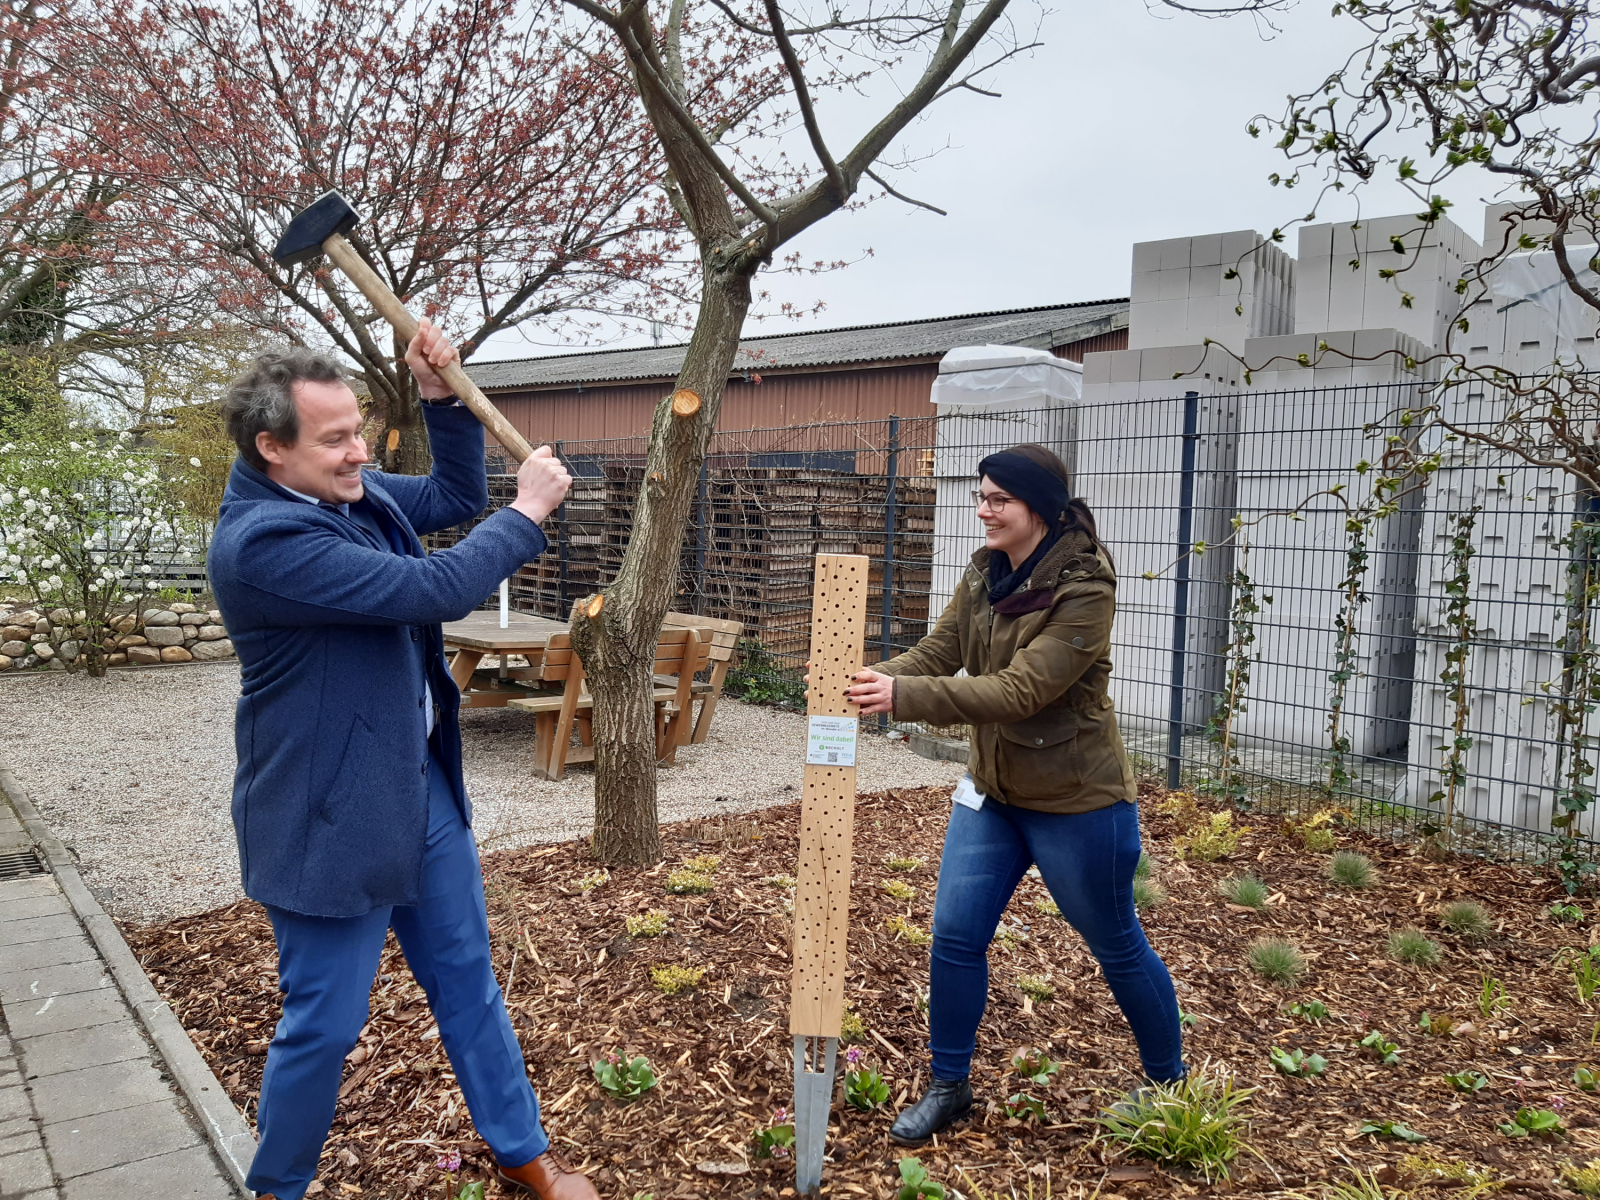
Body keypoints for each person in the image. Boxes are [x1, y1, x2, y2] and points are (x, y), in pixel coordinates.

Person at [208, 323, 597, 1200]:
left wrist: (437, 396)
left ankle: (522, 1152)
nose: (358, 453)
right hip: (327, 818)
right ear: (273, 448)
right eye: (336, 438)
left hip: (418, 795)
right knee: (325, 1025)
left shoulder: (346, 494)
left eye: (362, 431)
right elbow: (435, 590)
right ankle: (278, 1188)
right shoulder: (264, 544)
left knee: (469, 986)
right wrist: (528, 512)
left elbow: (453, 490)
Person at [842, 443, 1183, 1146]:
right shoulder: (986, 571)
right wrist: (872, 679)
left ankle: (1167, 1084)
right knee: (954, 936)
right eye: (981, 495)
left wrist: (901, 696)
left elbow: (1021, 690)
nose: (983, 510)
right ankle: (950, 1084)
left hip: (1076, 801)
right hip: (994, 793)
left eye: (999, 499)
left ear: (1041, 508)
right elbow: (941, 653)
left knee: (1115, 944)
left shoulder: (1085, 590)